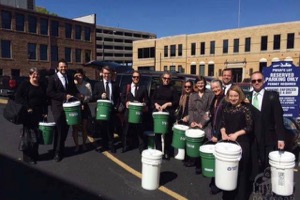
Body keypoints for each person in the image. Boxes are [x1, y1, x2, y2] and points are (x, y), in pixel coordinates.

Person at [220, 85, 253, 200]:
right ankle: (229, 195)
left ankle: (240, 197)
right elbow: (222, 123)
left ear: (240, 96)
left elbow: (249, 127)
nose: (233, 98)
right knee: (229, 171)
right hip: (229, 143)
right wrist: (223, 132)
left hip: (242, 143)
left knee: (241, 172)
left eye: (236, 96)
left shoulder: (245, 109)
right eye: (231, 96)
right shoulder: (226, 107)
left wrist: (236, 134)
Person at [47, 59, 81, 162]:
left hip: (68, 107)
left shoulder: (69, 77)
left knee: (65, 129)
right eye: (61, 67)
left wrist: (78, 94)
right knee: (59, 129)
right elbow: (49, 93)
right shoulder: (53, 78)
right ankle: (57, 152)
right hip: (57, 107)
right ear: (57, 67)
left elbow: (73, 90)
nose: (63, 68)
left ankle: (61, 149)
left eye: (65, 66)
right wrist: (64, 96)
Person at [250, 71, 285, 171]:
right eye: (254, 81)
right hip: (252, 137)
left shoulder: (272, 96)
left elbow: (278, 119)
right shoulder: (247, 96)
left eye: (259, 80)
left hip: (268, 137)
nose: (256, 82)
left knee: (267, 165)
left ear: (264, 81)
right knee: (253, 166)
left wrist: (281, 138)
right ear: (251, 83)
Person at [15, 67, 48, 164]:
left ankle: (35, 154)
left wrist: (45, 112)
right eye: (33, 74)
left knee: (37, 134)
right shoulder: (25, 84)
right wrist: (27, 106)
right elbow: (18, 97)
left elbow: (44, 100)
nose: (36, 75)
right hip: (28, 114)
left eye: (37, 74)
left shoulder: (41, 85)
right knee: (28, 136)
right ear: (30, 75)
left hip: (38, 113)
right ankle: (27, 157)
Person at [188, 76, 214, 173]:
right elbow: (190, 110)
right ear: (196, 84)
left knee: (203, 143)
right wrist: (191, 121)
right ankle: (194, 161)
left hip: (205, 123)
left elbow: (210, 110)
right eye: (198, 83)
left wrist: (202, 123)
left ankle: (201, 165)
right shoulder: (192, 95)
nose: (200, 85)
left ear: (205, 83)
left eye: (202, 83)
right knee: (195, 143)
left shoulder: (210, 94)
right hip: (194, 122)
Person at [152, 72, 179, 160]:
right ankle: (159, 151)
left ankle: (167, 152)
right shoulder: (158, 87)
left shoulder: (173, 89)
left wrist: (167, 104)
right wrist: (156, 104)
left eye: (168, 79)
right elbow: (152, 99)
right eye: (165, 78)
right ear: (162, 78)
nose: (166, 80)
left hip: (168, 114)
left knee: (167, 133)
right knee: (157, 133)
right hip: (158, 113)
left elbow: (176, 102)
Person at [93, 66, 120, 153]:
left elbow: (117, 97)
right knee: (102, 129)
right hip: (101, 110)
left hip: (111, 109)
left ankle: (111, 146)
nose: (106, 75)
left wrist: (116, 106)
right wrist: (100, 96)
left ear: (111, 74)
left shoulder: (115, 84)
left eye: (108, 73)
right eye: (105, 73)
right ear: (102, 74)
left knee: (110, 128)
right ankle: (104, 146)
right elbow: (93, 97)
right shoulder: (98, 85)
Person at [121, 71, 149, 153]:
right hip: (128, 111)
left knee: (140, 130)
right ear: (132, 77)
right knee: (126, 129)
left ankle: (141, 148)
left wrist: (144, 104)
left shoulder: (143, 88)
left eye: (137, 77)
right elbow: (122, 97)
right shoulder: (127, 87)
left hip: (138, 112)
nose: (136, 78)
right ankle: (125, 146)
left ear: (139, 78)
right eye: (134, 77)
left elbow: (147, 100)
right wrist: (125, 102)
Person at [209, 79, 226, 194]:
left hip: (221, 134)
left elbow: (224, 119)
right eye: (213, 88)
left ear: (222, 87)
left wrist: (217, 134)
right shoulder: (214, 99)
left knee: (220, 160)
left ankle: (219, 184)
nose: (215, 89)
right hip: (214, 131)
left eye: (217, 87)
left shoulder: (225, 99)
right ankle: (216, 181)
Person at [72, 69, 92, 152]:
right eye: (76, 76)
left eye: (80, 75)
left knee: (84, 127)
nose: (78, 77)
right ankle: (77, 145)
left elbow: (90, 96)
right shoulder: (72, 84)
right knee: (75, 128)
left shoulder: (87, 84)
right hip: (74, 107)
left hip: (84, 106)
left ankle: (84, 144)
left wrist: (84, 98)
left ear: (83, 76)